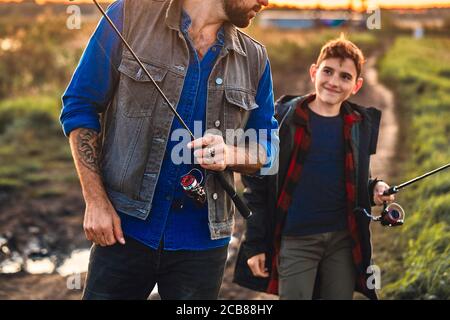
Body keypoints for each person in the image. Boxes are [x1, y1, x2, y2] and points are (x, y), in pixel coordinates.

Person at [60, 0, 278, 300]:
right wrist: (95, 201)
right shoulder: (129, 14)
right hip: (124, 230)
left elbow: (269, 148)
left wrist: (231, 154)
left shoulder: (256, 59)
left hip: (204, 246)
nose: (266, 1)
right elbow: (80, 105)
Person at [234, 36, 395, 300]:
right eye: (328, 71)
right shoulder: (284, 121)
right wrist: (254, 244)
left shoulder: (358, 125)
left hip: (343, 241)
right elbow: (257, 187)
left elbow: (354, 180)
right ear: (313, 72)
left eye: (345, 77)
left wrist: (374, 188)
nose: (333, 82)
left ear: (356, 86)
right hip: (296, 239)